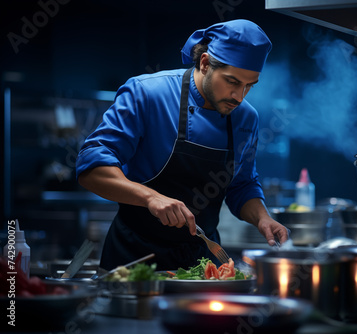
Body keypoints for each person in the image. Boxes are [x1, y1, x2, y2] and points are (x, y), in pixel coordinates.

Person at [76, 19, 289, 271]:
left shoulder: (246, 118)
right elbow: (91, 167)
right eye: (232, 82)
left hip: (202, 264)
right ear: (205, 63)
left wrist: (262, 218)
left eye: (248, 86)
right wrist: (151, 198)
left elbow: (241, 185)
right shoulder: (148, 94)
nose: (239, 97)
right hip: (134, 260)